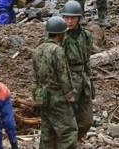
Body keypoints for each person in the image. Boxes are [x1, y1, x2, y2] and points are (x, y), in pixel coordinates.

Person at [32, 16, 78, 149]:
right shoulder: (57, 51)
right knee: (69, 132)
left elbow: (34, 77)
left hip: (42, 97)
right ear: (60, 34)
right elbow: (64, 77)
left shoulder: (38, 50)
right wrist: (71, 97)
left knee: (48, 133)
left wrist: (36, 97)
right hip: (57, 98)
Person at [61, 0, 94, 140]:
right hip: (68, 78)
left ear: (78, 18)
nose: (69, 21)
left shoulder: (86, 35)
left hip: (83, 79)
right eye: (67, 18)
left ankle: (75, 141)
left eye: (73, 18)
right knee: (69, 119)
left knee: (87, 121)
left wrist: (90, 81)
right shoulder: (60, 35)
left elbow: (87, 60)